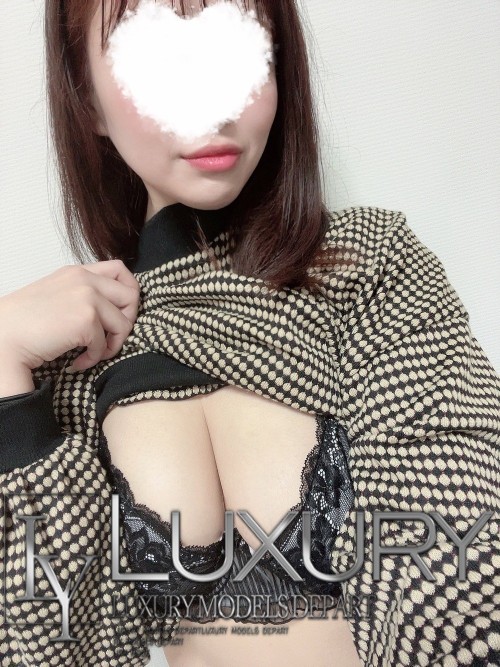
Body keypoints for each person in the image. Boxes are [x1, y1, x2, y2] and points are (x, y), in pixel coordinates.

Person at [0, 1, 498, 667]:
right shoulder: (73, 358)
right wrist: (5, 375)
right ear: (86, 98)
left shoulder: (368, 268)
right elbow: (63, 645)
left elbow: (458, 580)